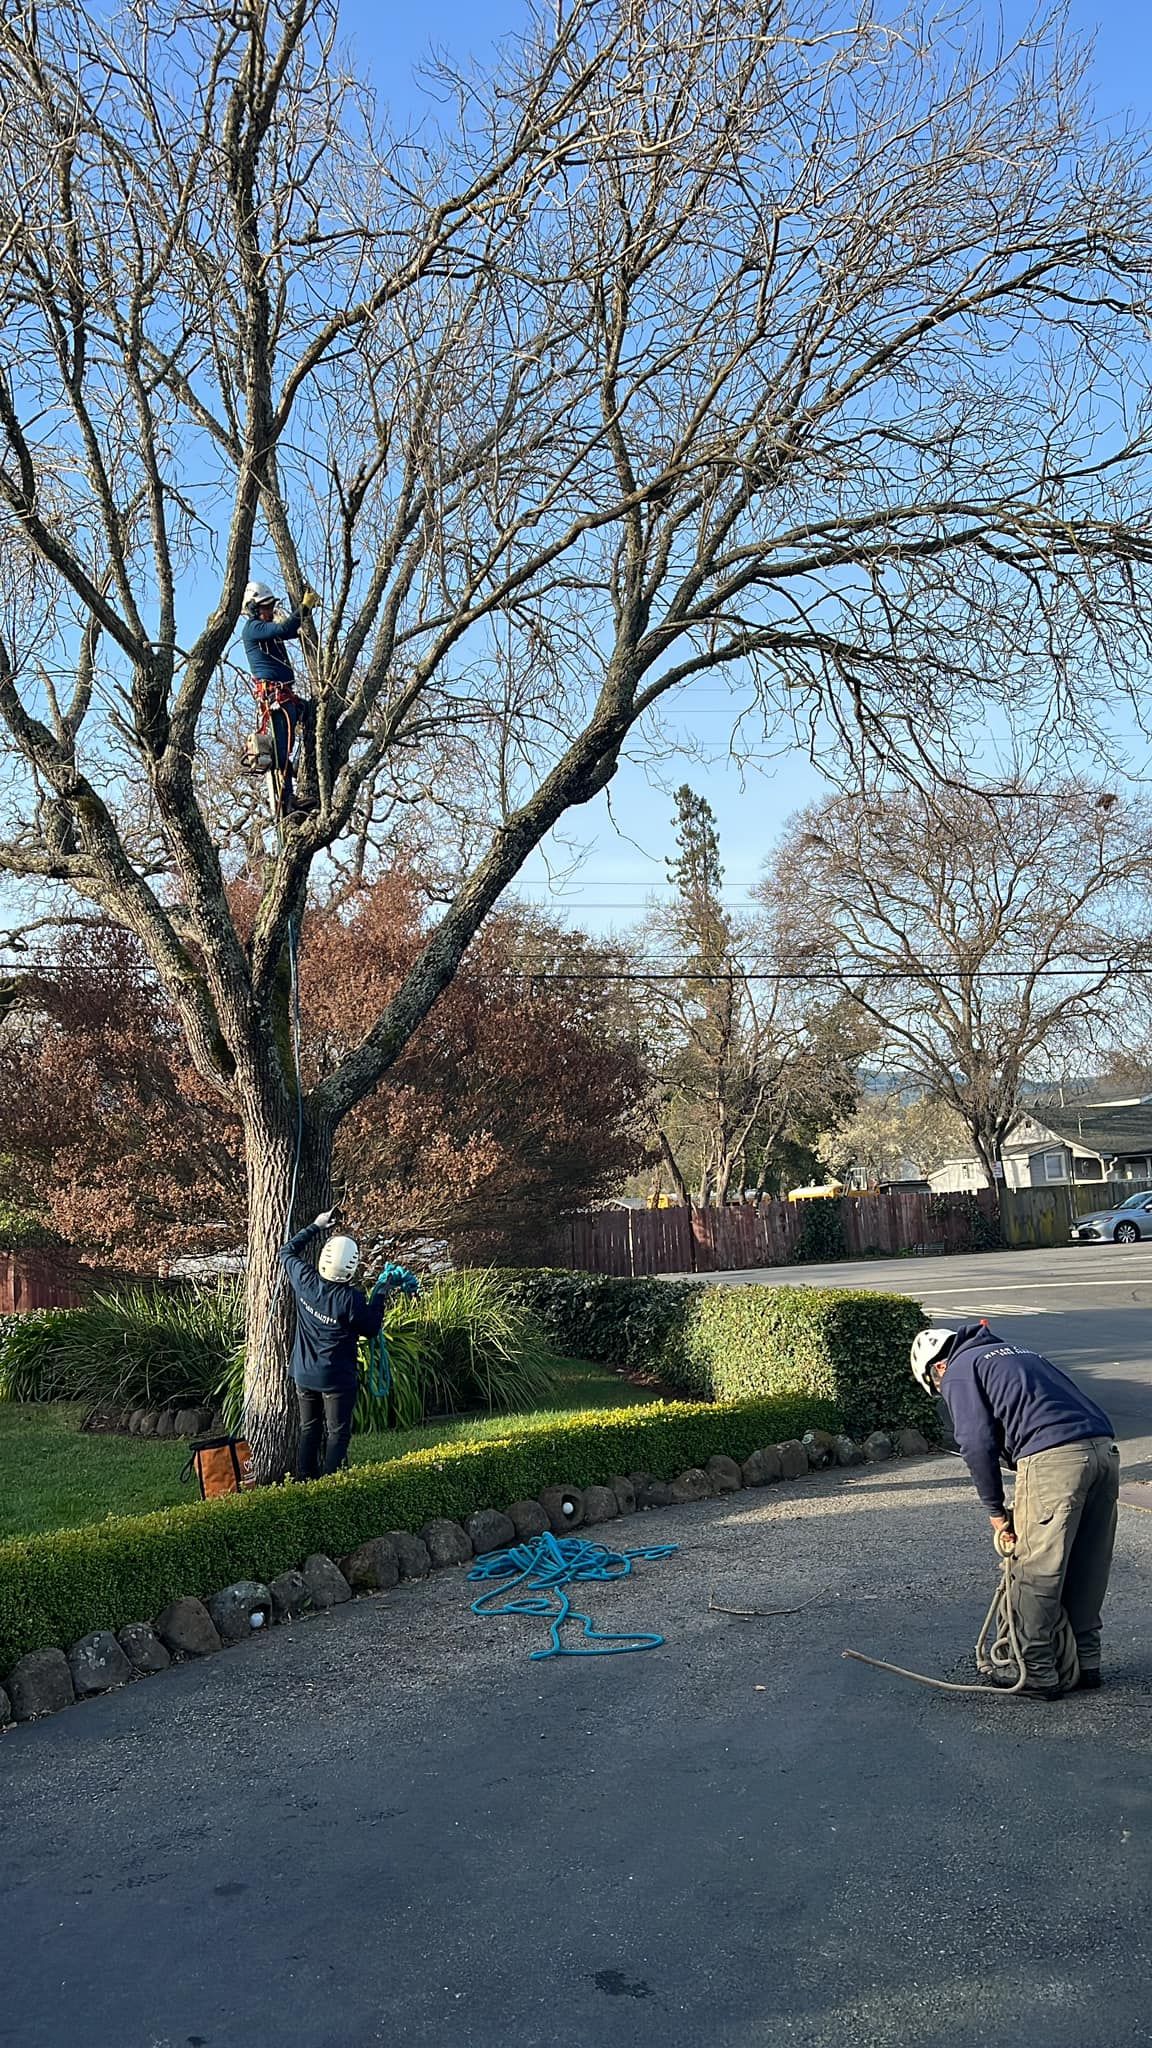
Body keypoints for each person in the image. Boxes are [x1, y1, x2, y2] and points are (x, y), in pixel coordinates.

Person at [911, 1321, 1120, 1698]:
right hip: (1104, 1451)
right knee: (1088, 1563)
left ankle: (1037, 1670)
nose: (943, 1394)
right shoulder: (1015, 1353)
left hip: (1055, 1460)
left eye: (936, 1389)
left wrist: (995, 1512)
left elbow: (975, 1444)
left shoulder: (959, 1369)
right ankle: (1086, 1662)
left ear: (936, 1368)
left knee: (1035, 1569)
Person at [280, 1209, 385, 1480]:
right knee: (337, 1433)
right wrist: (381, 1293)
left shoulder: (305, 1281)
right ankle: (329, 1486)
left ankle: (304, 1480)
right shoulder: (351, 1300)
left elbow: (287, 1251)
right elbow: (371, 1327)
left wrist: (316, 1225)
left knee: (309, 1428)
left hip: (303, 1373)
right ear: (351, 1268)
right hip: (336, 1380)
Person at [240, 579, 319, 817]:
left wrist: (304, 616)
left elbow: (290, 632)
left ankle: (300, 770)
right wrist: (303, 608)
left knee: (315, 715)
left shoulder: (268, 631)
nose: (270, 611)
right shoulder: (254, 628)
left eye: (271, 606)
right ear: (253, 608)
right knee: (281, 752)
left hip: (288, 698)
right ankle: (286, 802)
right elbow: (284, 629)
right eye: (265, 607)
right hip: (274, 700)